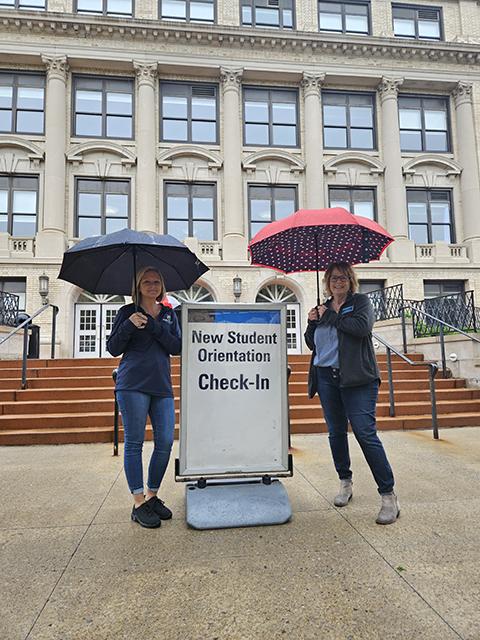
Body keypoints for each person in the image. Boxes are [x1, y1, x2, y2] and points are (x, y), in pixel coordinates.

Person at [304, 262, 399, 525]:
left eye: (343, 277)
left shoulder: (360, 303)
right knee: (336, 433)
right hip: (325, 377)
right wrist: (312, 323)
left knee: (365, 434)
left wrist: (330, 316)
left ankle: (388, 495)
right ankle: (345, 482)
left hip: (358, 379)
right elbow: (312, 343)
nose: (339, 281)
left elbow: (361, 328)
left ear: (351, 280)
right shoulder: (322, 307)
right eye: (334, 278)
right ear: (327, 281)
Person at [107, 267, 181, 529]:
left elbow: (176, 347)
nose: (152, 286)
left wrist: (153, 325)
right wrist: (129, 326)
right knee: (135, 443)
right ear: (138, 286)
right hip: (132, 384)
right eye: (146, 282)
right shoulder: (127, 313)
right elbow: (113, 348)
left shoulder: (170, 314)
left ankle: (152, 495)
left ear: (162, 286)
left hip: (161, 385)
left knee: (164, 442)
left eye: (156, 282)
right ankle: (138, 502)